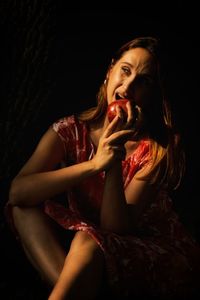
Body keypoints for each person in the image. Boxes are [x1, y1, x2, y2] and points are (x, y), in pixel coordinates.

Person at [7, 36, 200, 300]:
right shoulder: (69, 130)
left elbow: (115, 228)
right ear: (110, 71)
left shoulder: (159, 148)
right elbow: (17, 192)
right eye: (125, 70)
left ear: (153, 94)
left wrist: (113, 161)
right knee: (23, 208)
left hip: (149, 247)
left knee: (88, 240)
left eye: (144, 81)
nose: (129, 86)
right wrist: (95, 163)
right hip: (94, 240)